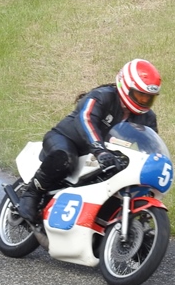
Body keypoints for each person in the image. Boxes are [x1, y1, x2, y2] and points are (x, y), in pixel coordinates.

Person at [17, 58, 162, 224]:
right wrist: (99, 150)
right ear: (124, 86)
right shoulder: (102, 96)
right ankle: (31, 194)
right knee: (64, 159)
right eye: (140, 95)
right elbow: (85, 119)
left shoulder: (147, 118)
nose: (143, 101)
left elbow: (150, 146)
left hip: (101, 155)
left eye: (149, 98)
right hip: (68, 140)